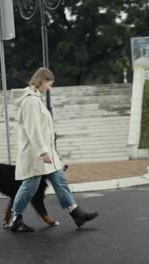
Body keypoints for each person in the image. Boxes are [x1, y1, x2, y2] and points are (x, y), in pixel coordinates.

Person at [10, 67, 99, 232]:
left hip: (45, 152)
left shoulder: (36, 99)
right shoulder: (30, 101)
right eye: (49, 84)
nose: (49, 88)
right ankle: (16, 218)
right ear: (41, 81)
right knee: (30, 186)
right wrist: (43, 151)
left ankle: (76, 213)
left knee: (59, 180)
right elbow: (33, 129)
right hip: (35, 153)